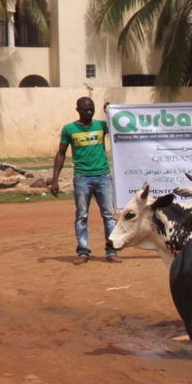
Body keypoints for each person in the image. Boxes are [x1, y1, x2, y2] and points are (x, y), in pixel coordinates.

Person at [50, 96, 121, 264]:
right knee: (81, 216)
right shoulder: (69, 129)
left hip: (103, 176)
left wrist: (110, 112)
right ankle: (83, 252)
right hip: (82, 178)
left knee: (109, 215)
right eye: (85, 109)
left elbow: (120, 127)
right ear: (78, 110)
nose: (89, 112)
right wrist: (55, 180)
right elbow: (61, 153)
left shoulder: (102, 126)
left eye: (91, 109)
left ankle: (111, 251)